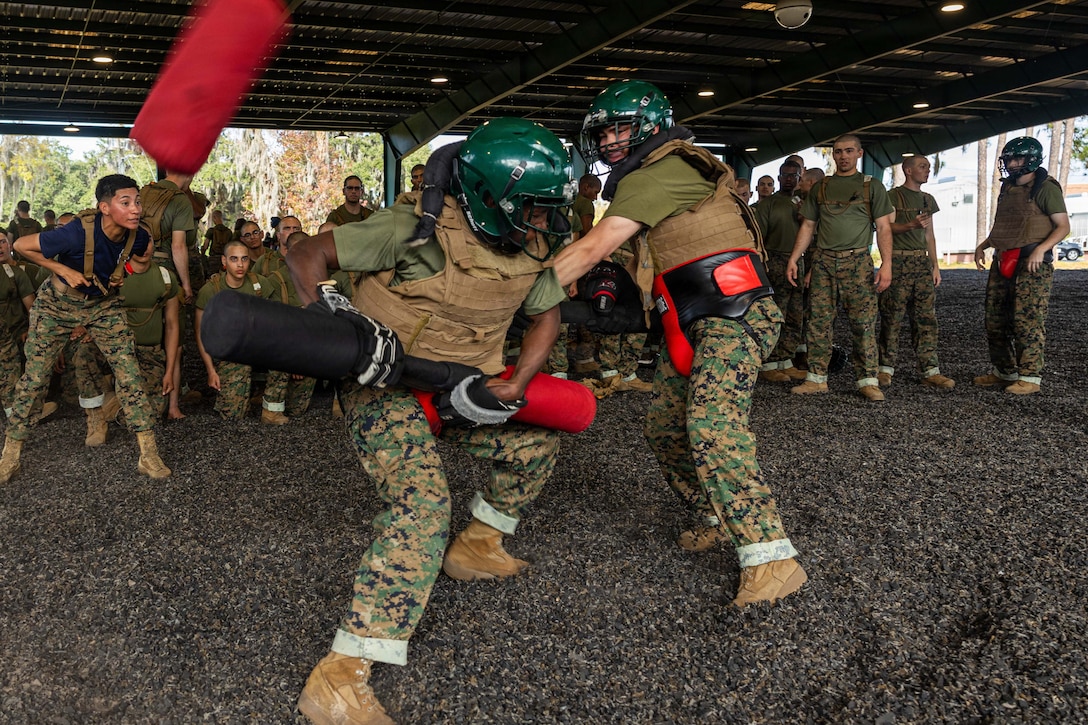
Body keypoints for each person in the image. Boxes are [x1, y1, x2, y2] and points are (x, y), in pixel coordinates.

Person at [286, 117, 572, 724]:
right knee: (421, 503)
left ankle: (476, 547)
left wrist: (516, 382)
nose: (544, 221)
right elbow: (306, 252)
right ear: (490, 194)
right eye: (534, 207)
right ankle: (338, 678)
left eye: (549, 209)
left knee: (536, 448)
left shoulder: (529, 247)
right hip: (381, 385)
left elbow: (546, 315)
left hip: (461, 388)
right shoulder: (410, 228)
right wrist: (332, 312)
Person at [552, 80, 805, 605]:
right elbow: (619, 262)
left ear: (648, 126)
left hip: (733, 315)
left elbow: (595, 245)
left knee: (713, 423)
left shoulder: (660, 171)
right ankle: (714, 514)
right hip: (691, 321)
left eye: (618, 129)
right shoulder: (650, 179)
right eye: (601, 134)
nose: (608, 142)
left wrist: (511, 296)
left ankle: (772, 555)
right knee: (664, 425)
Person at [0, 174, 171, 485]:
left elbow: (129, 261)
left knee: (129, 373)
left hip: (103, 306)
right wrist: (62, 268)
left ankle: (148, 454)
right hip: (56, 305)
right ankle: (9, 455)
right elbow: (22, 245)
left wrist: (119, 275)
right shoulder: (76, 233)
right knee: (35, 378)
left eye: (137, 202)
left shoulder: (140, 238)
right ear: (104, 207)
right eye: (126, 203)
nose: (136, 209)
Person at [786, 133, 894, 402]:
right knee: (818, 321)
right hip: (823, 261)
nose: (843, 156)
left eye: (848, 151)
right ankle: (816, 379)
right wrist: (794, 258)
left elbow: (883, 227)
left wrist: (886, 264)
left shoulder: (872, 186)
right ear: (833, 155)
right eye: (837, 151)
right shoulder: (821, 188)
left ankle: (867, 381)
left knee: (864, 323)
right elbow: (808, 226)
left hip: (857, 262)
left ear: (859, 154)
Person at [972, 136, 1068, 395]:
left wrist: (1041, 249)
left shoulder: (1046, 188)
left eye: (1018, 159)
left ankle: (1030, 377)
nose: (1012, 164)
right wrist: (984, 244)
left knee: (1028, 320)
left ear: (1031, 159)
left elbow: (1063, 226)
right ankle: (1004, 371)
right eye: (1009, 159)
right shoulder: (1008, 188)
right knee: (995, 319)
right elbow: (1007, 224)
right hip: (1004, 258)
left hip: (1031, 264)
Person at [878, 155, 955, 390]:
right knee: (892, 317)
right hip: (899, 262)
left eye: (929, 168)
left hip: (921, 265)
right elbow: (885, 227)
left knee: (925, 319)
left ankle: (930, 370)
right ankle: (884, 369)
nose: (927, 171)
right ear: (908, 171)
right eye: (922, 167)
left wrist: (935, 265)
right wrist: (909, 226)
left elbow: (929, 235)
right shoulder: (892, 196)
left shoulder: (927, 199)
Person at [195, 240, 277, 419]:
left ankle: (272, 409)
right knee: (233, 415)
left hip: (258, 344)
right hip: (231, 351)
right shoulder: (210, 291)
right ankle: (239, 395)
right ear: (224, 262)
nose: (240, 264)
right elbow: (201, 334)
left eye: (244, 259)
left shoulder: (260, 284)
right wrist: (211, 371)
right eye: (234, 259)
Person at [140, 168, 195, 419]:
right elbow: (178, 245)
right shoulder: (179, 199)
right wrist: (186, 285)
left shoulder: (144, 192)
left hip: (138, 270)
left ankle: (138, 400)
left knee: (142, 337)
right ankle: (173, 406)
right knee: (176, 339)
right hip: (167, 271)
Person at [754, 160, 807, 382]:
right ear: (779, 178)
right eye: (785, 175)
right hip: (775, 259)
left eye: (793, 175)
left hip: (798, 261)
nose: (788, 179)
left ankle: (786, 360)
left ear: (799, 178)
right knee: (776, 315)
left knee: (796, 315)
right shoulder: (768, 205)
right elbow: (758, 239)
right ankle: (769, 362)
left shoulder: (804, 203)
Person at [202, 209, 233, 274]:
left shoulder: (211, 231)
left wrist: (203, 255)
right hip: (225, 260)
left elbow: (205, 245)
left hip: (213, 260)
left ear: (214, 217)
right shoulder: (229, 232)